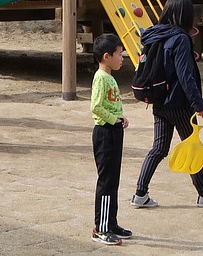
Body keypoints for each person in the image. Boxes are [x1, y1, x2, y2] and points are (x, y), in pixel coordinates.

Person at [131, 0, 203, 209]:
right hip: (178, 103)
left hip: (158, 101)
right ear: (186, 16)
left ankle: (140, 193)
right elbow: (186, 76)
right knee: (191, 146)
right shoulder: (180, 39)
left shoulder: (153, 35)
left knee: (159, 148)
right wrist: (198, 104)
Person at [90, 33, 132, 246]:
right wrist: (114, 119)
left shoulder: (109, 77)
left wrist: (120, 118)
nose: (122, 58)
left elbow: (110, 104)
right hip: (105, 133)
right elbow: (96, 107)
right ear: (106, 56)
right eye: (119, 54)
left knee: (113, 180)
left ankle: (111, 222)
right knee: (106, 182)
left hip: (114, 131)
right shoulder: (101, 77)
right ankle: (101, 227)